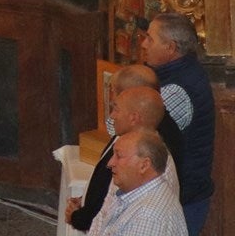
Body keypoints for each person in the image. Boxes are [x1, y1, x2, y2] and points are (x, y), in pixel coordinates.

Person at [67, 65, 182, 233]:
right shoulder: (127, 148)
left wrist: (80, 217)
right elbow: (106, 211)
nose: (112, 115)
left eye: (116, 109)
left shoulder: (148, 216)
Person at [142, 12, 215, 236]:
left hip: (181, 201)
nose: (144, 44)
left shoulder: (177, 89)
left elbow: (139, 135)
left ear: (171, 48)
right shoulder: (180, 72)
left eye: (150, 39)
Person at [88, 129, 187, 236]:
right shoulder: (132, 193)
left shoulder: (148, 217)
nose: (110, 163)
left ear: (144, 165)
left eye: (119, 156)